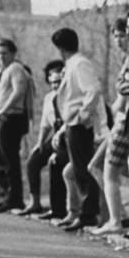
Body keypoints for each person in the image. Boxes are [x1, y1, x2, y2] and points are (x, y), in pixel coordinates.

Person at [51, 28, 104, 231]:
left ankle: (88, 213)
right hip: (71, 123)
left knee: (83, 168)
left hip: (79, 124)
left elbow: (92, 89)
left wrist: (83, 114)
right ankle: (85, 211)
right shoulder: (71, 64)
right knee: (79, 168)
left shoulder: (80, 64)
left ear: (61, 48)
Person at [90, 18, 129, 235]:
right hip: (120, 122)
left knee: (107, 169)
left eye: (122, 35)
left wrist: (124, 84)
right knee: (97, 166)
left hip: (125, 122)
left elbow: (124, 92)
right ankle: (120, 217)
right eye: (116, 35)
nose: (119, 40)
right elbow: (121, 91)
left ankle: (119, 218)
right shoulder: (127, 59)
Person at [19, 60, 67, 218]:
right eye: (52, 82)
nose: (55, 85)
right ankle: (35, 202)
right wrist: (39, 144)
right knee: (33, 162)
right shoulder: (49, 98)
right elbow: (46, 124)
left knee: (56, 165)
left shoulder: (69, 96)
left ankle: (58, 209)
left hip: (67, 134)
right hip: (54, 134)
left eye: (58, 81)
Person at [0, 38, 33, 212]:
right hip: (4, 117)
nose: (1, 57)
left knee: (10, 160)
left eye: (5, 53)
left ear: (13, 53)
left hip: (12, 117)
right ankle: (8, 196)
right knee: (4, 159)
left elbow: (19, 91)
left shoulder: (16, 69)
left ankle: (15, 198)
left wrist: (3, 108)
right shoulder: (4, 71)